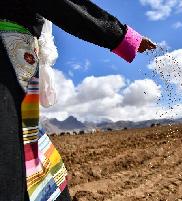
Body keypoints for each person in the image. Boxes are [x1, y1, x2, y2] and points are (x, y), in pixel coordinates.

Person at [0, 0, 156, 200]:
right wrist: (122, 36)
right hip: (7, 63)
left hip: (16, 67)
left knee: (33, 163)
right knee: (12, 163)